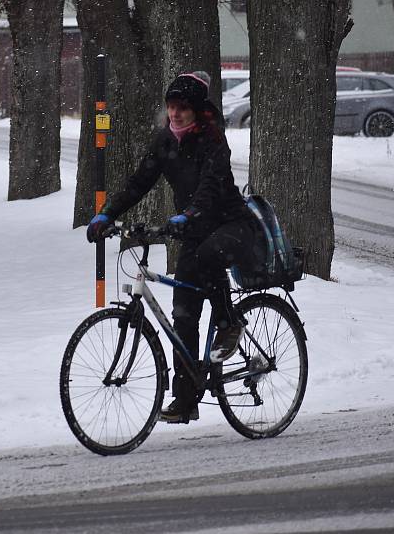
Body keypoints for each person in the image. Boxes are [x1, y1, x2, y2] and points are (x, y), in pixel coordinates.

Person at [86, 71, 265, 424]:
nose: (175, 114)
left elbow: (211, 188)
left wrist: (188, 214)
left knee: (208, 255)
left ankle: (229, 323)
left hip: (233, 225)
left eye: (182, 107)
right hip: (195, 230)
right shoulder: (165, 142)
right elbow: (139, 182)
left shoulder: (213, 141)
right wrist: (106, 214)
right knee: (184, 316)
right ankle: (185, 399)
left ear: (196, 110)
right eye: (171, 107)